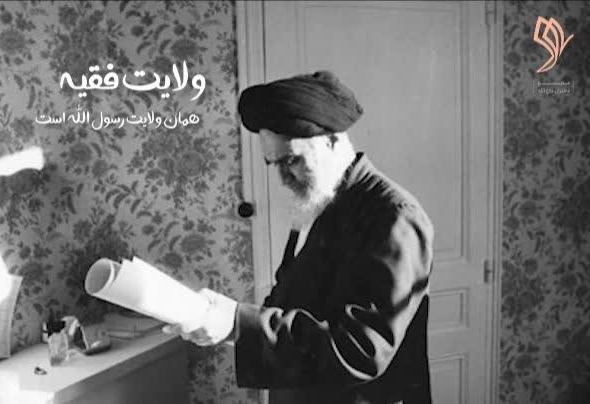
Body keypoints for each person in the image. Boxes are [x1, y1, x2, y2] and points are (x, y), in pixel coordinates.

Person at [163, 71, 434, 404]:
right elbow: (291, 300)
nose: (283, 178)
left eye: (291, 160)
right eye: (273, 164)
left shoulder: (394, 216)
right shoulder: (319, 202)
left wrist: (238, 324)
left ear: (333, 141)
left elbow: (361, 350)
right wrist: (222, 322)